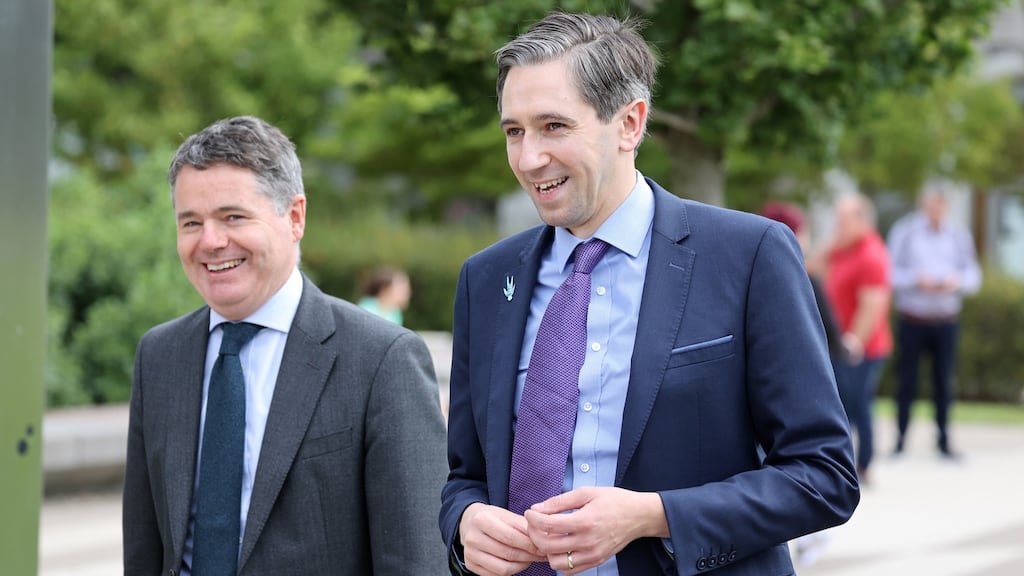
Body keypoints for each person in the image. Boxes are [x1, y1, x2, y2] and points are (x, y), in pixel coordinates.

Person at [440, 13, 859, 576]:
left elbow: (824, 475)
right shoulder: (486, 280)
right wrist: (465, 525)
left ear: (630, 124)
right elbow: (464, 476)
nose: (527, 157)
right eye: (514, 131)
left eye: (554, 126)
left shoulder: (749, 255)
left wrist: (654, 515)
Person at [122, 116, 449, 575]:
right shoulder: (159, 356)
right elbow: (144, 550)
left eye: (233, 216)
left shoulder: (381, 360)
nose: (211, 241)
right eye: (191, 222)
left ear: (295, 217)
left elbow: (416, 560)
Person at [887, 188, 982, 458]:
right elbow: (889, 271)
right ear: (923, 205)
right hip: (913, 318)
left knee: (944, 381)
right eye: (932, 206)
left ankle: (943, 440)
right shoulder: (906, 232)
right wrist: (917, 279)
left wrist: (956, 281)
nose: (936, 212)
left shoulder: (958, 235)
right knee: (906, 381)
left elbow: (974, 275)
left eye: (941, 206)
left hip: (946, 319)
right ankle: (901, 438)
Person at [825, 193, 892, 485]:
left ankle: (863, 464)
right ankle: (849, 463)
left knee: (857, 405)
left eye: (844, 220)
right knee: (846, 404)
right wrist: (832, 242)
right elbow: (812, 266)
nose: (838, 225)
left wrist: (854, 342)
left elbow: (872, 306)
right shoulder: (844, 249)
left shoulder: (871, 254)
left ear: (862, 221)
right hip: (841, 345)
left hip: (863, 348)